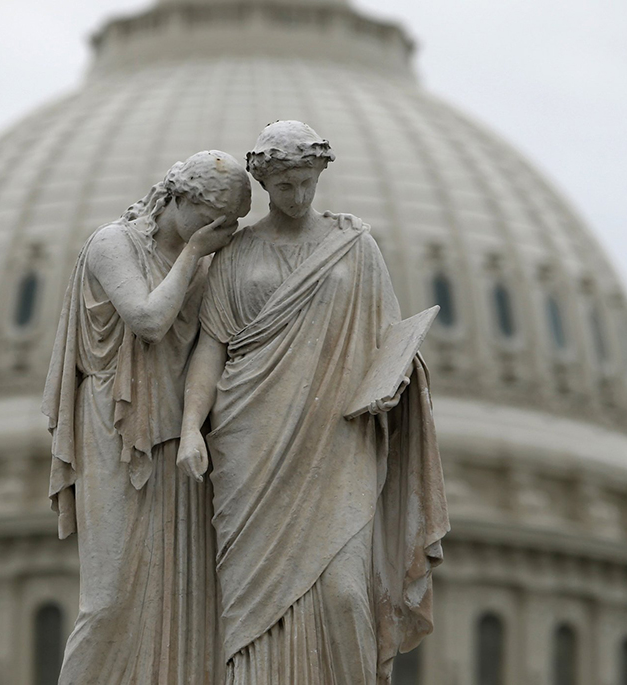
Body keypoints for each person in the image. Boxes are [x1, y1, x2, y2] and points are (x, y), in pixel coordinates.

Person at [178, 122, 450, 684]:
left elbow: (388, 343)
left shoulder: (355, 248)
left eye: (306, 183)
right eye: (285, 186)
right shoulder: (236, 253)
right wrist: (188, 430)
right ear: (264, 183)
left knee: (345, 591)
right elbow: (211, 349)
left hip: (337, 439)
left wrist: (394, 383)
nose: (298, 197)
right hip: (250, 444)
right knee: (249, 607)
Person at [42, 150, 252, 685]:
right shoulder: (114, 244)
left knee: (179, 595)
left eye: (226, 225)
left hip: (177, 432)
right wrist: (197, 253)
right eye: (210, 219)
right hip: (115, 422)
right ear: (180, 198)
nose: (216, 231)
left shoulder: (204, 263)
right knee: (109, 599)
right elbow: (149, 320)